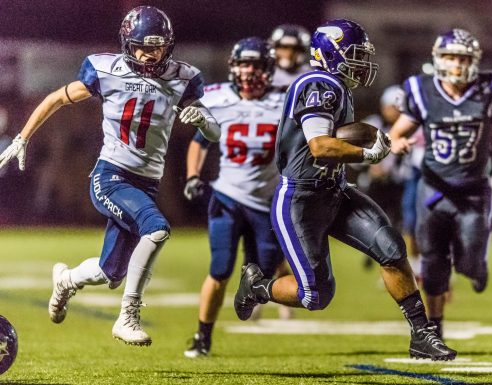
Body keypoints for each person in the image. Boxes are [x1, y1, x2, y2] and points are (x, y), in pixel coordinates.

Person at [233, 19, 456, 361]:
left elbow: (338, 137)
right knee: (316, 295)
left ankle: (421, 334)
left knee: (391, 247)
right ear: (330, 52)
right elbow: (321, 146)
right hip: (301, 200)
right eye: (354, 54)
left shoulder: (337, 86)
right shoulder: (318, 82)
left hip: (334, 191)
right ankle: (259, 286)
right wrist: (367, 153)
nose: (361, 62)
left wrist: (368, 138)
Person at [0, 6, 220, 346]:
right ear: (127, 44)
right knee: (157, 229)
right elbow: (56, 98)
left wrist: (205, 121)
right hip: (111, 175)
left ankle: (67, 280)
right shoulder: (106, 70)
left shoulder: (184, 77)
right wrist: (22, 136)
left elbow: (215, 132)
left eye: (158, 46)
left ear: (169, 45)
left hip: (147, 183)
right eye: (143, 46)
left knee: (110, 271)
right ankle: (128, 315)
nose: (151, 54)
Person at [389, 28, 492, 339]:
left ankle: (476, 267)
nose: (456, 64)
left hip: (473, 190)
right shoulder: (422, 90)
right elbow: (398, 131)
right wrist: (395, 143)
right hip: (433, 186)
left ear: (473, 60)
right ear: (438, 59)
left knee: (468, 262)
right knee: (433, 262)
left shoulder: (491, 89)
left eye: (462, 57)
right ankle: (434, 326)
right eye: (450, 57)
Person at [182, 37, 284, 358]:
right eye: (244, 63)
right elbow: (201, 141)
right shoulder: (218, 98)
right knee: (220, 268)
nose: (249, 71)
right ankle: (202, 336)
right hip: (227, 197)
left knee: (263, 276)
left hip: (267, 203)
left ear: (268, 69)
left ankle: (248, 294)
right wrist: (193, 176)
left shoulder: (285, 101)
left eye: (256, 65)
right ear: (233, 66)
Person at [269, 24, 312, 91]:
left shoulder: (310, 75)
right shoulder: (267, 74)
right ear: (274, 49)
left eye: (294, 49)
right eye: (283, 47)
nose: (288, 53)